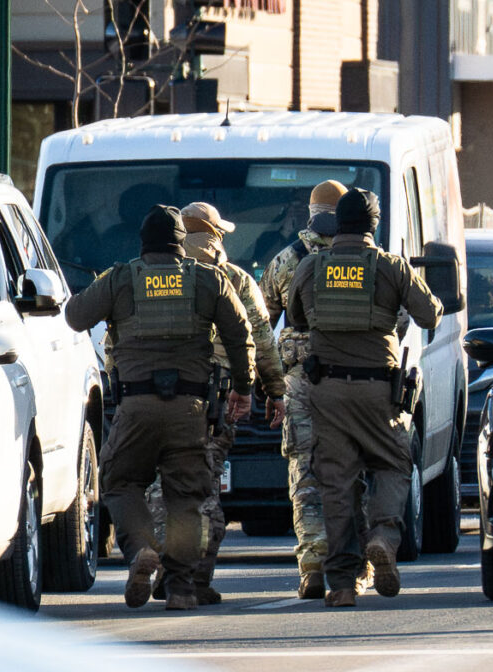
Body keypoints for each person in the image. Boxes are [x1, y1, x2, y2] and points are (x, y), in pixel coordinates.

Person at [65, 205, 256, 611]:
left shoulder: (120, 279)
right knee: (187, 495)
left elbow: (75, 316)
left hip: (136, 406)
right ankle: (182, 587)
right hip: (191, 408)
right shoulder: (208, 279)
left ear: (142, 241)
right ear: (181, 242)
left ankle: (141, 552)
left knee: (118, 480)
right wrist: (243, 387)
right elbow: (240, 334)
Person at [287, 188, 443, 607]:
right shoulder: (391, 267)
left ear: (338, 224)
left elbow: (296, 318)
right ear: (374, 225)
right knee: (393, 462)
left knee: (336, 485)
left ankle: (341, 584)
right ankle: (383, 537)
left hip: (328, 393)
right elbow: (430, 314)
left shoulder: (309, 267)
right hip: (379, 391)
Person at [143, 201, 288, 606]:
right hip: (215, 402)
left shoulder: (148, 274)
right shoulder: (235, 280)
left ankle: (163, 564)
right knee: (204, 492)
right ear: (214, 236)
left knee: (161, 488)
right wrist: (274, 391)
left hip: (154, 395)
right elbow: (260, 338)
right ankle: (190, 579)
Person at [259, 179, 371, 600]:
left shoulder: (287, 261)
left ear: (310, 214)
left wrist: (270, 385)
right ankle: (354, 568)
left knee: (305, 476)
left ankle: (312, 569)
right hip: (355, 384)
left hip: (302, 384)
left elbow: (262, 325)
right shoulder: (367, 257)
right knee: (352, 476)